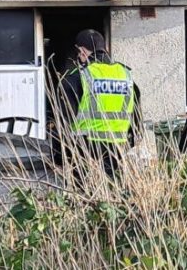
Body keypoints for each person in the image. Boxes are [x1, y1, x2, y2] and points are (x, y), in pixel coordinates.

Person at [52, 29, 141, 179]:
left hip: (83, 153)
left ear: (81, 51)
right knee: (112, 195)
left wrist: (59, 157)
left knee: (83, 197)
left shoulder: (78, 78)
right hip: (117, 150)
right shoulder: (126, 77)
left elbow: (63, 123)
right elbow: (137, 127)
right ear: (105, 49)